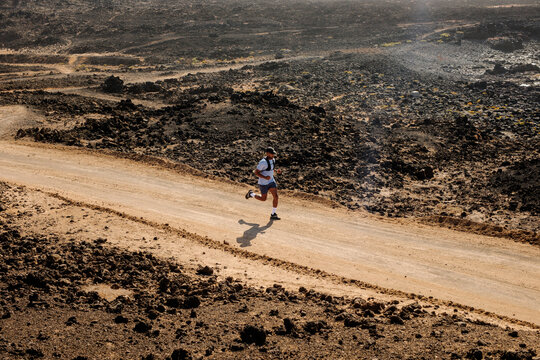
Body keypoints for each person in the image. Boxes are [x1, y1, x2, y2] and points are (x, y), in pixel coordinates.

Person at [245, 147, 282, 220]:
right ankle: (251, 194)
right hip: (263, 183)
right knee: (263, 199)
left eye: (273, 154)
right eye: (272, 154)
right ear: (267, 153)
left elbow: (270, 169)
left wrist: (276, 171)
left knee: (276, 196)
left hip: (271, 181)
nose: (273, 155)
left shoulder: (273, 160)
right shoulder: (263, 162)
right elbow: (256, 172)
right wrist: (265, 178)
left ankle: (273, 214)